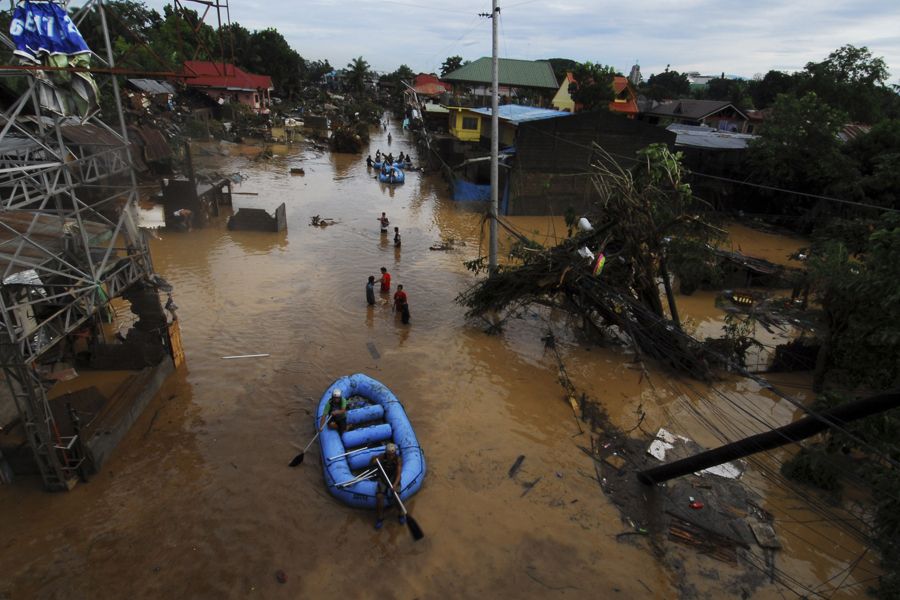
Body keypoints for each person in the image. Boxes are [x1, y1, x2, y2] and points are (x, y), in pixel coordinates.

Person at [370, 442, 403, 530]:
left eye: (392, 454)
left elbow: (399, 474)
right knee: (379, 497)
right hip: (383, 479)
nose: (391, 457)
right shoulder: (381, 457)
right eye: (389, 455)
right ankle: (380, 518)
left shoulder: (398, 459)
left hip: (394, 479)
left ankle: (401, 513)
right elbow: (372, 461)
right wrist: (373, 460)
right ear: (386, 453)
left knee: (397, 498)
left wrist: (395, 485)